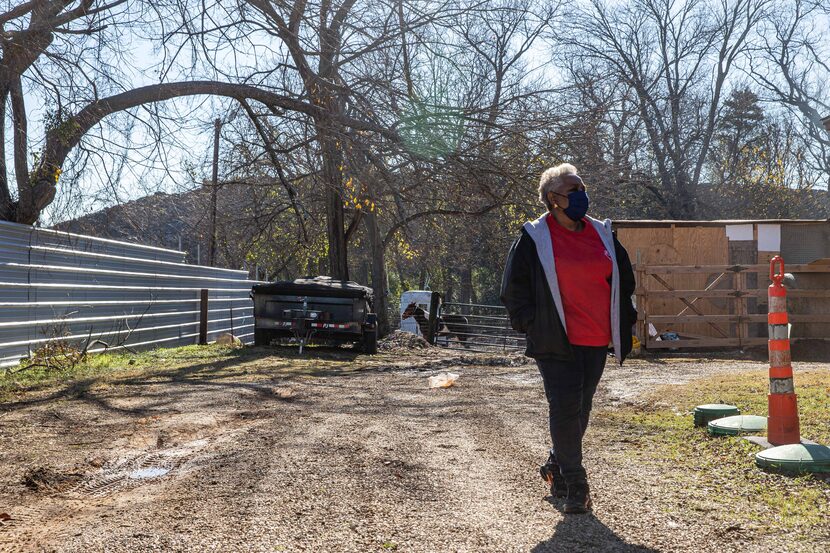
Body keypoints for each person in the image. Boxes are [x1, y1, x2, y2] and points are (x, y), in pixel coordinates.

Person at [500, 163, 637, 514]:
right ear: (553, 199)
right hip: (555, 339)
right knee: (564, 406)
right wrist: (531, 324)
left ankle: (555, 464)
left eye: (582, 188)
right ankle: (577, 484)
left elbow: (624, 280)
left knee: (582, 408)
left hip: (595, 337)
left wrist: (626, 319)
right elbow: (514, 288)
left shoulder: (602, 233)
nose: (581, 195)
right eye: (573, 190)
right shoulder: (535, 237)